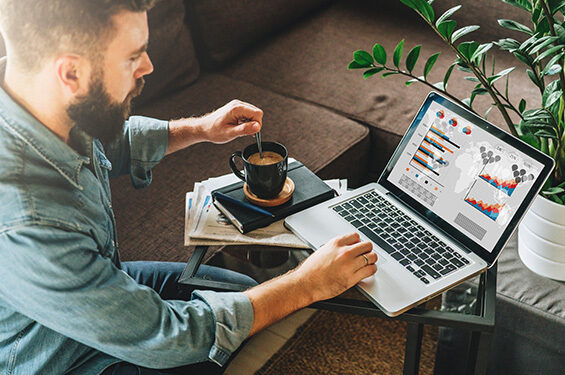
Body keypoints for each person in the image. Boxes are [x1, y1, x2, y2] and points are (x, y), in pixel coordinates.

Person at [0, 1, 378, 374]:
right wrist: (308, 284)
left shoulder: (34, 94)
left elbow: (104, 141)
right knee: (203, 351)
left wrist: (201, 129)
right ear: (71, 74)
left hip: (95, 282)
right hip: (55, 356)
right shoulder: (29, 220)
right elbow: (168, 337)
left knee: (238, 293)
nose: (148, 66)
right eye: (133, 57)